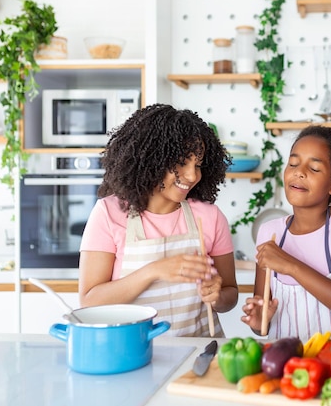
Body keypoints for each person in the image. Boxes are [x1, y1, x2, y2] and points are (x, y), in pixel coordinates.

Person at [78, 104, 238, 337]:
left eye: (198, 165)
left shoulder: (210, 217)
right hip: (133, 353)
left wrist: (218, 296)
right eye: (182, 162)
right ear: (152, 158)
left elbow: (230, 294)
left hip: (200, 355)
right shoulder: (108, 213)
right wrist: (153, 271)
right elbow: (89, 302)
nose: (192, 175)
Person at [241, 126, 331, 341]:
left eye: (314, 168)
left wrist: (291, 266)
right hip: (287, 368)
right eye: (293, 163)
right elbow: (262, 320)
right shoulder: (270, 232)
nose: (299, 172)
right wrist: (259, 321)